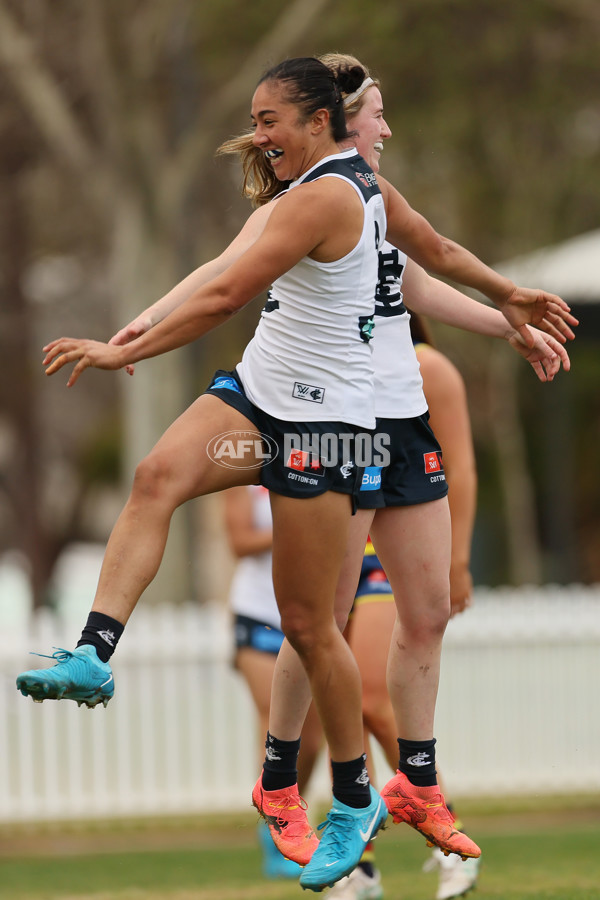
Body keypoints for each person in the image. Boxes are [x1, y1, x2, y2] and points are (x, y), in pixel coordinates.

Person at [16, 55, 574, 892]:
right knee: (157, 476)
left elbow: (252, 291)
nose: (257, 133)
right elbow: (216, 279)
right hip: (260, 405)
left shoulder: (345, 196)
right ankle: (96, 651)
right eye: (256, 118)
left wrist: (508, 308)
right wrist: (126, 336)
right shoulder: (302, 195)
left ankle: (352, 796)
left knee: (314, 625)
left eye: (271, 118)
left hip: (328, 435)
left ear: (321, 120)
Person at [335, 309, 479, 900]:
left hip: (389, 553)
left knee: (372, 697)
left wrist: (457, 560)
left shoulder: (426, 365)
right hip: (338, 541)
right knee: (340, 704)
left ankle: (449, 841)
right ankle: (360, 862)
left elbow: (460, 466)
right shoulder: (339, 365)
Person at [223, 484, 322, 879]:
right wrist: (299, 526)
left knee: (312, 739)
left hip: (307, 613)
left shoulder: (319, 456)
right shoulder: (242, 474)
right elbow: (240, 540)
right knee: (275, 719)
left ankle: (287, 814)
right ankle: (275, 831)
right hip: (257, 613)